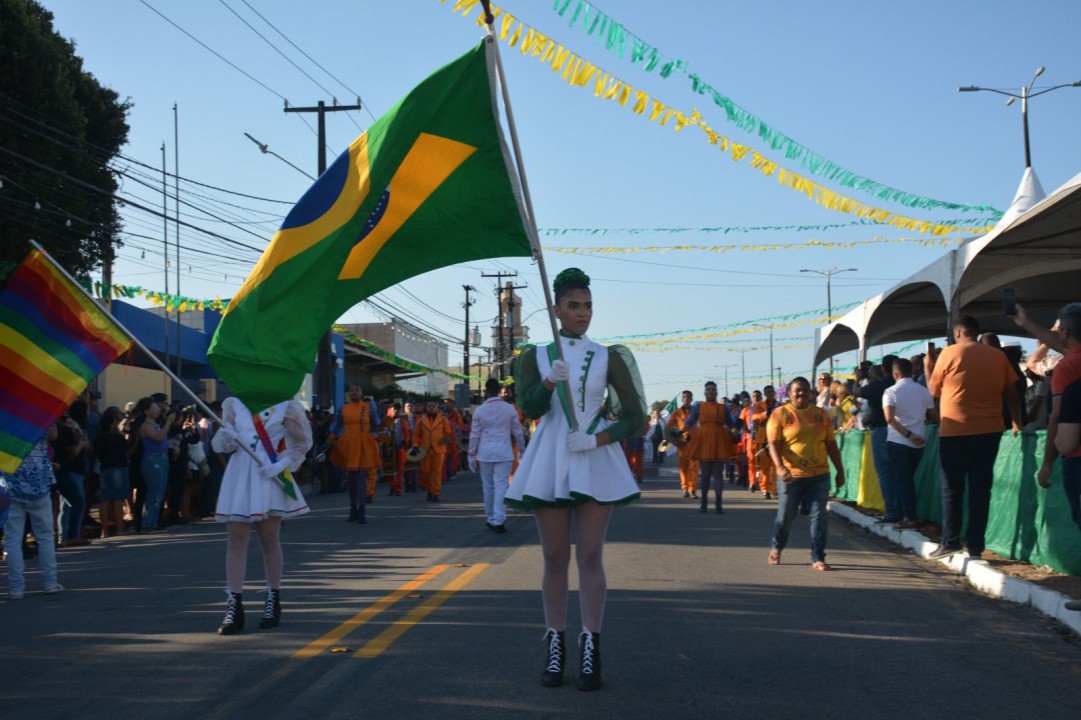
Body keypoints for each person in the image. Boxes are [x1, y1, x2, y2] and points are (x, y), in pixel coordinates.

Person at [505, 268, 647, 691]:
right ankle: (555, 642)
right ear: (556, 310)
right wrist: (549, 380)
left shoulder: (610, 356)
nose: (583, 313)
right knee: (553, 557)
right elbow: (529, 408)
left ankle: (591, 644)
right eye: (574, 306)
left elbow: (635, 417)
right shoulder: (534, 355)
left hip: (594, 457)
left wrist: (597, 437)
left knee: (589, 556)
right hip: (550, 456)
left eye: (587, 306)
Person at [211, 396, 312, 635]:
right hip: (240, 474)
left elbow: (302, 443)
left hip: (268, 472)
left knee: (269, 540)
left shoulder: (286, 403)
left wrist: (282, 464)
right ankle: (234, 606)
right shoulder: (234, 402)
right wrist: (226, 437)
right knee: (235, 540)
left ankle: (272, 599)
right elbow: (221, 445)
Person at [926, 315, 1022, 559]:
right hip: (990, 429)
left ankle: (950, 541)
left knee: (952, 490)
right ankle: (976, 546)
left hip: (956, 430)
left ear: (958, 332)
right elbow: (1011, 392)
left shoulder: (949, 354)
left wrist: (929, 368)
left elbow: (933, 391)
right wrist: (1016, 420)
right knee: (981, 490)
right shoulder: (997, 355)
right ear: (976, 332)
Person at [1013, 303, 1081, 533]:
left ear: (1066, 333)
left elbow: (1057, 418)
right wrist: (1026, 323)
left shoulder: (1066, 367)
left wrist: (1047, 463)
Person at [765, 376, 846, 570]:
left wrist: (840, 471)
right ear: (790, 393)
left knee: (819, 516)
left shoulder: (821, 415)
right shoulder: (780, 414)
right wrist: (780, 467)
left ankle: (818, 557)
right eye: (797, 390)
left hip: (819, 475)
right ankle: (777, 547)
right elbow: (773, 444)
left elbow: (831, 444)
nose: (801, 393)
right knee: (785, 517)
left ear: (811, 393)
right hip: (791, 476)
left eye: (805, 390)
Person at [2, 431, 63, 599]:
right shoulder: (41, 409)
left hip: (10, 481)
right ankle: (50, 582)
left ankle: (16, 588)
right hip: (38, 481)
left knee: (12, 539)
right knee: (45, 536)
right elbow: (53, 435)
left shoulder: (5, 414)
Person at [882, 358, 937, 529]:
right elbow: (934, 415)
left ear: (895, 373)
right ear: (912, 371)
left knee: (903, 481)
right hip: (919, 442)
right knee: (907, 480)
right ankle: (906, 514)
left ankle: (909, 516)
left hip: (899, 440)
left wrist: (908, 434)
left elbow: (889, 418)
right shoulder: (923, 391)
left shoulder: (891, 392)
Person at [469, 377, 524, 533]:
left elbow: (474, 434)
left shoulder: (480, 410)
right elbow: (517, 431)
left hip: (485, 453)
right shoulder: (509, 409)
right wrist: (522, 449)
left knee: (488, 487)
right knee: (501, 486)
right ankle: (499, 519)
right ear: (499, 390)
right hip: (504, 451)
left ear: (486, 391)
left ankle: (490, 517)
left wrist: (471, 454)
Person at [682, 381, 738, 512]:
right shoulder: (698, 406)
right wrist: (681, 431)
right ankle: (704, 501)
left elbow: (731, 424)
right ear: (705, 392)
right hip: (704, 439)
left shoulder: (723, 407)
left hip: (719, 439)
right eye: (709, 390)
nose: (711, 391)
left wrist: (735, 434)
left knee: (718, 473)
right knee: (706, 473)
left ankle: (718, 502)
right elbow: (690, 420)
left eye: (713, 389)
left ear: (717, 392)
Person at [329, 385, 381, 523]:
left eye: (357, 390)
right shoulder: (343, 408)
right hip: (349, 443)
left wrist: (374, 436)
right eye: (351, 391)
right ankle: (353, 509)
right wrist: (332, 438)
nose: (354, 392)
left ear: (362, 393)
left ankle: (362, 510)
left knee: (360, 477)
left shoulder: (370, 406)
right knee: (351, 478)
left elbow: (376, 424)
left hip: (364, 442)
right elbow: (336, 426)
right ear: (348, 394)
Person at [859, 355, 898, 522]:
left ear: (883, 369)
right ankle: (903, 511)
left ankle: (892, 511)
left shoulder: (879, 386)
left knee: (885, 472)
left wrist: (861, 378)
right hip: (904, 432)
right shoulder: (902, 385)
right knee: (900, 473)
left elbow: (858, 392)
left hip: (883, 430)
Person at [135, 397, 179, 533]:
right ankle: (147, 522)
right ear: (147, 411)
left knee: (160, 492)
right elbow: (158, 437)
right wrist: (169, 422)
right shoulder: (146, 426)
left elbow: (162, 441)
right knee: (154, 492)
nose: (158, 410)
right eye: (154, 408)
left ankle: (152, 521)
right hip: (153, 461)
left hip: (162, 458)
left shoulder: (156, 424)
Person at [94, 407, 130, 538]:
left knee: (105, 499)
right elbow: (128, 450)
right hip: (118, 467)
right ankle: (120, 528)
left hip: (104, 468)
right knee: (118, 499)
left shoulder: (98, 438)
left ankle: (105, 530)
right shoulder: (118, 438)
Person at [412, 400, 455, 501]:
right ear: (426, 408)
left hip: (439, 449)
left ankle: (435, 492)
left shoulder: (443, 419)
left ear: (437, 408)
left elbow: (449, 432)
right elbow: (416, 434)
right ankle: (429, 489)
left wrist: (447, 438)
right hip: (425, 449)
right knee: (425, 471)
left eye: (433, 406)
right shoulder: (421, 420)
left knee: (437, 472)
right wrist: (415, 445)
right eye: (429, 406)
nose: (431, 408)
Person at [668, 390, 699, 498]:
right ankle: (684, 487)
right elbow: (669, 426)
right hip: (682, 443)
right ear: (682, 399)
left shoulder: (696, 412)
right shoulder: (676, 413)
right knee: (683, 466)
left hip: (694, 441)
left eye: (688, 397)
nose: (686, 398)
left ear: (691, 399)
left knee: (694, 466)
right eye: (684, 397)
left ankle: (692, 489)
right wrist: (673, 433)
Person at [751, 385, 780, 499]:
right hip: (763, 438)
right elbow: (754, 418)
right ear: (765, 394)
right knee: (764, 466)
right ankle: (764, 489)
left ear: (774, 393)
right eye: (767, 392)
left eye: (771, 391)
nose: (769, 393)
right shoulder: (759, 405)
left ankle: (775, 489)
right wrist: (765, 414)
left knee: (776, 465)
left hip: (776, 438)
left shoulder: (779, 405)